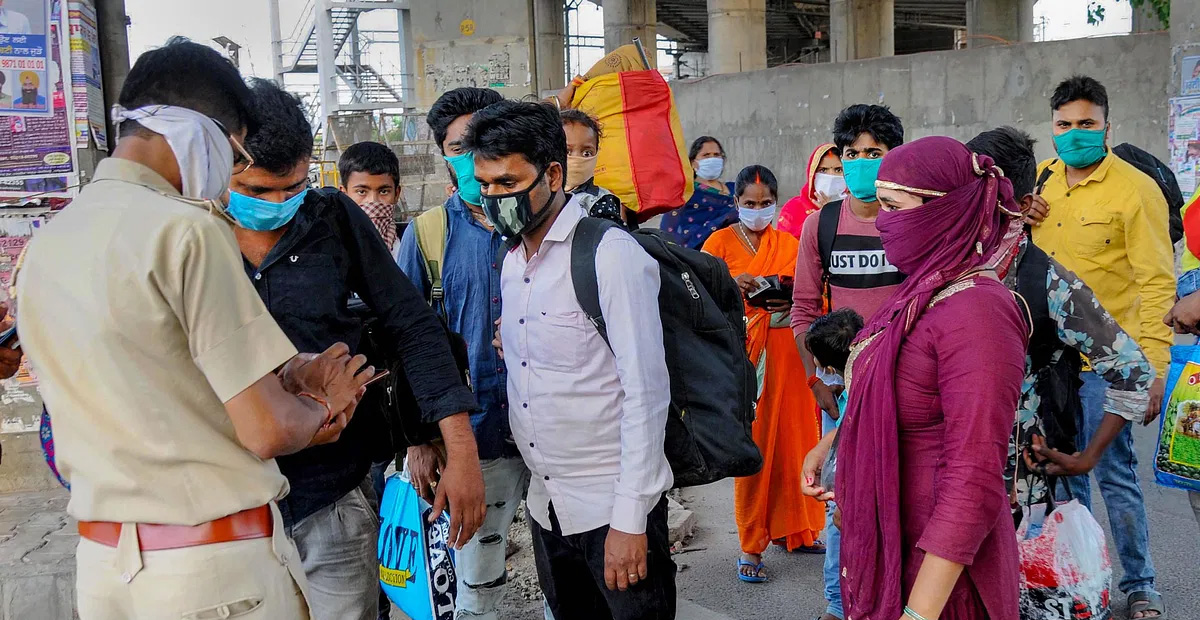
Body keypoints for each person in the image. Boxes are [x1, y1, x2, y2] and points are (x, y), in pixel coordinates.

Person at [13, 40, 375, 619]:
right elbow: (266, 430)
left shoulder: (47, 243)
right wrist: (326, 406)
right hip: (211, 572)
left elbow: (156, 375)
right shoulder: (187, 231)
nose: (228, 175)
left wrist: (287, 370)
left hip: (105, 568)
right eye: (234, 156)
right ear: (198, 133)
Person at [228, 79, 483, 620]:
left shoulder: (333, 218)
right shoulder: (189, 235)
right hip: (225, 507)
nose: (277, 206)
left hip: (331, 495)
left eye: (292, 189)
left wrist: (458, 449)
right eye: (257, 192)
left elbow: (412, 324)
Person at [806, 136, 1028, 620]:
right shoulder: (922, 288)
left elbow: (974, 475)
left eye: (893, 206)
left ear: (942, 210)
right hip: (900, 543)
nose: (881, 222)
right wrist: (837, 446)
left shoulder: (978, 312)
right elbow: (898, 395)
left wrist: (918, 613)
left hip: (942, 577)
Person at [472, 100, 676, 620]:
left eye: (508, 182)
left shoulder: (609, 254)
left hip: (612, 509)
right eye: (485, 184)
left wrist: (630, 519)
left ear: (553, 175)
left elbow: (647, 392)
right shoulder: (513, 262)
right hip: (547, 509)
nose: (495, 198)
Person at [1028, 75, 1171, 619]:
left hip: (1108, 364)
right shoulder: (1043, 181)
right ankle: (1084, 582)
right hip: (1051, 362)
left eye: (1086, 123)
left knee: (1113, 474)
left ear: (1107, 126)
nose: (1075, 134)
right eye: (1064, 124)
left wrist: (1154, 368)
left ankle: (1140, 584)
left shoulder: (1136, 189)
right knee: (1063, 475)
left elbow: (1157, 282)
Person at [967, 127, 1158, 514]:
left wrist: (1087, 458)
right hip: (947, 477)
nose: (963, 202)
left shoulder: (1047, 282)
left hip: (1020, 497)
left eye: (978, 191)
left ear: (1021, 204)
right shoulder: (941, 267)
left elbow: (1133, 371)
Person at [395, 86, 531, 620]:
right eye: (459, 148)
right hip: (475, 440)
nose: (473, 158)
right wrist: (420, 440)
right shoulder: (428, 235)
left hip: (555, 434)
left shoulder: (545, 223)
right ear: (444, 157)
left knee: (565, 572)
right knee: (476, 579)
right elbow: (405, 343)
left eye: (483, 142)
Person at [700, 164, 825, 583]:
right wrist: (732, 284)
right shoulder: (718, 243)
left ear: (776, 201)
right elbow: (698, 296)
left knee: (797, 440)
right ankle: (751, 544)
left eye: (766, 202)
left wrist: (788, 298)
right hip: (747, 358)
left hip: (790, 354)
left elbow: (813, 292)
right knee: (755, 447)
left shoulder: (790, 242)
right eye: (750, 203)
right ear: (737, 202)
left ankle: (800, 529)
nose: (758, 210)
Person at [660, 136, 737, 249]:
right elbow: (670, 232)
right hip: (703, 253)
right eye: (706, 155)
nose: (712, 159)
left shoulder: (736, 188)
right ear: (693, 163)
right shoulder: (685, 194)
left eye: (716, 155)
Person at [339, 141, 402, 251]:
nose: (373, 201)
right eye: (361, 192)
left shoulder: (411, 246)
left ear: (396, 194)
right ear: (344, 195)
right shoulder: (333, 250)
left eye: (383, 191)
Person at [778, 144, 844, 237]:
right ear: (812, 174)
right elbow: (786, 243)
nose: (831, 176)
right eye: (823, 170)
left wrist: (832, 214)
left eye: (838, 170)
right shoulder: (793, 208)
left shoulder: (854, 207)